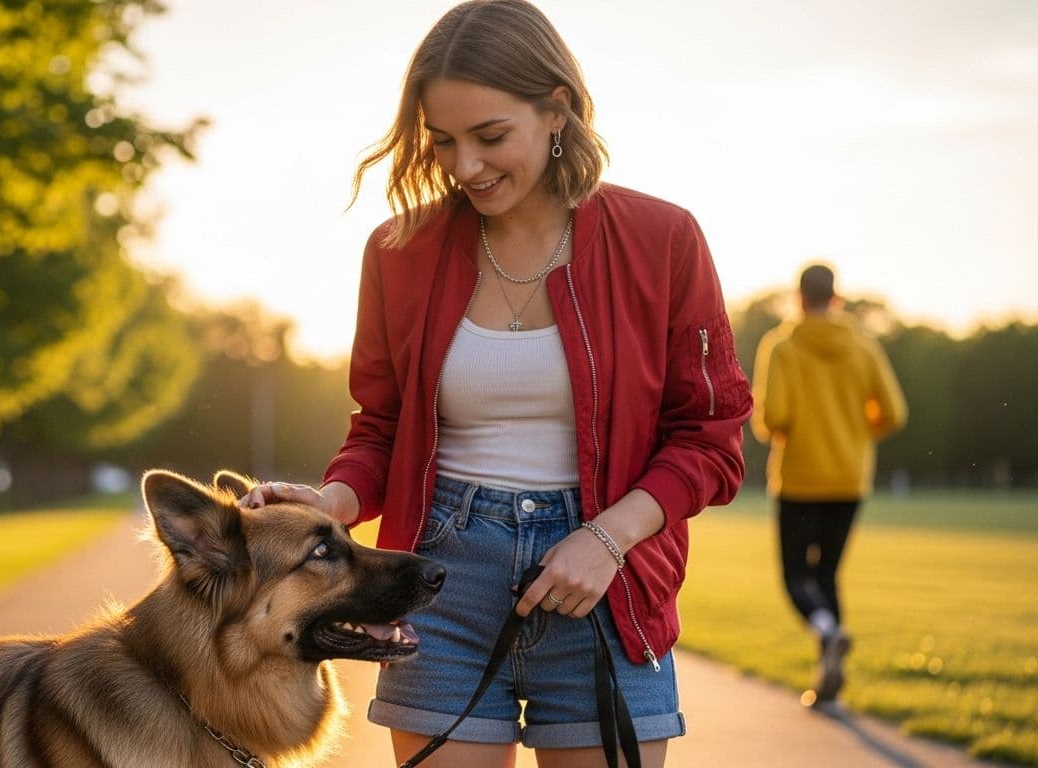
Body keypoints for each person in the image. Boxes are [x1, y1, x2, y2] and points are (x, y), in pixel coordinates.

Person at [241, 1, 752, 765]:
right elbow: (379, 429)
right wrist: (334, 503)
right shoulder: (397, 251)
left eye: (489, 138)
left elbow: (709, 440)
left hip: (603, 588)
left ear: (557, 111)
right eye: (442, 142)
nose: (464, 167)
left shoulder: (663, 239)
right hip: (436, 582)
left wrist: (607, 539)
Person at [751, 263, 907, 707]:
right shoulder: (863, 345)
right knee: (828, 576)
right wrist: (855, 434)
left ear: (799, 299)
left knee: (797, 577)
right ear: (836, 299)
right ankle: (829, 683)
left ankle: (830, 632)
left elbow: (773, 418)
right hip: (850, 479)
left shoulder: (781, 346)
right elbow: (894, 412)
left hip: (800, 478)